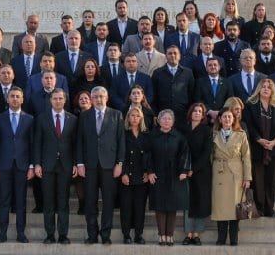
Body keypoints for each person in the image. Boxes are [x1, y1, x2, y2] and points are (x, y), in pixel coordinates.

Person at [78, 87, 124, 244]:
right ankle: (92, 234)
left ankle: (106, 235)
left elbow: (121, 141)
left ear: (107, 97)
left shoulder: (116, 115)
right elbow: (80, 142)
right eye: (95, 96)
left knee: (108, 201)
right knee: (90, 201)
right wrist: (79, 163)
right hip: (89, 165)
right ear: (91, 99)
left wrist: (119, 163)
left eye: (101, 96)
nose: (98, 99)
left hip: (109, 165)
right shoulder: (84, 116)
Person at [33, 88, 77, 244]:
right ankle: (50, 234)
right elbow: (37, 142)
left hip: (65, 165)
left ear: (65, 100)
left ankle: (63, 235)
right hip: (47, 165)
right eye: (55, 98)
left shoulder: (73, 119)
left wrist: (75, 163)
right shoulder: (42, 118)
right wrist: (37, 164)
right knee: (49, 201)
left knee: (63, 201)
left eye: (60, 98)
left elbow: (75, 144)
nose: (58, 101)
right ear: (50, 100)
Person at [0, 87, 34, 243]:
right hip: (4, 165)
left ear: (22, 99)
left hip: (22, 166)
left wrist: (31, 166)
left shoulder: (29, 119)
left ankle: (20, 233)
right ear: (7, 99)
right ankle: (2, 233)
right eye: (12, 96)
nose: (15, 99)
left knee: (21, 201)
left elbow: (32, 144)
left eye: (18, 96)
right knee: (4, 200)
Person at [243, 78, 275, 218]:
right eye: (263, 87)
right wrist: (259, 140)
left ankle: (269, 208)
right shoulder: (250, 105)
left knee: (271, 179)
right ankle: (259, 207)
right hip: (257, 147)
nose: (266, 89)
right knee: (258, 180)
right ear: (259, 89)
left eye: (269, 87)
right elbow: (248, 125)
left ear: (273, 90)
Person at [148, 110, 191, 246]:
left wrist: (184, 170)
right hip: (158, 174)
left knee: (172, 206)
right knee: (160, 206)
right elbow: (147, 155)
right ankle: (161, 235)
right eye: (164, 118)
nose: (166, 121)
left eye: (169, 119)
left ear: (173, 121)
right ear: (159, 121)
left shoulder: (179, 136)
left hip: (175, 175)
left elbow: (185, 153)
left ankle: (170, 235)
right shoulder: (152, 136)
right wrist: (149, 171)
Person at [210, 109, 251, 246]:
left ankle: (234, 238)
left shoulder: (241, 135)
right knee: (220, 206)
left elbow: (246, 157)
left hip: (236, 173)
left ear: (234, 119)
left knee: (235, 206)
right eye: (224, 117)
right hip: (219, 172)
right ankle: (221, 237)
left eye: (230, 117)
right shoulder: (213, 134)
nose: (227, 119)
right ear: (220, 119)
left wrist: (247, 178)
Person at [180, 103, 213, 245]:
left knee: (200, 202)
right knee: (188, 202)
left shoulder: (207, 130)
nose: (197, 113)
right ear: (190, 113)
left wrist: (194, 168)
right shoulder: (183, 129)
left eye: (200, 111)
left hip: (202, 171)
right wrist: (185, 169)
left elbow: (207, 152)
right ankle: (188, 234)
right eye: (194, 111)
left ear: (203, 115)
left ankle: (197, 234)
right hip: (185, 170)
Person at [119, 107, 151, 244]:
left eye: (137, 116)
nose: (134, 118)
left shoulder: (146, 134)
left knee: (140, 207)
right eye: (132, 115)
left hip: (141, 175)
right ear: (128, 117)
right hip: (127, 174)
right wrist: (124, 173)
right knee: (126, 207)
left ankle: (139, 234)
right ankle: (126, 234)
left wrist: (147, 171)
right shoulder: (123, 133)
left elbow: (150, 155)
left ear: (141, 118)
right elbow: (121, 154)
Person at [151, 45, 195, 126]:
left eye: (175, 53)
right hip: (163, 114)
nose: (173, 55)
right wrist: (155, 113)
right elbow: (154, 95)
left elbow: (191, 94)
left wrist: (190, 113)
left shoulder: (188, 72)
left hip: (183, 114)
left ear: (180, 56)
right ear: (166, 56)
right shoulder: (157, 73)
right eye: (170, 53)